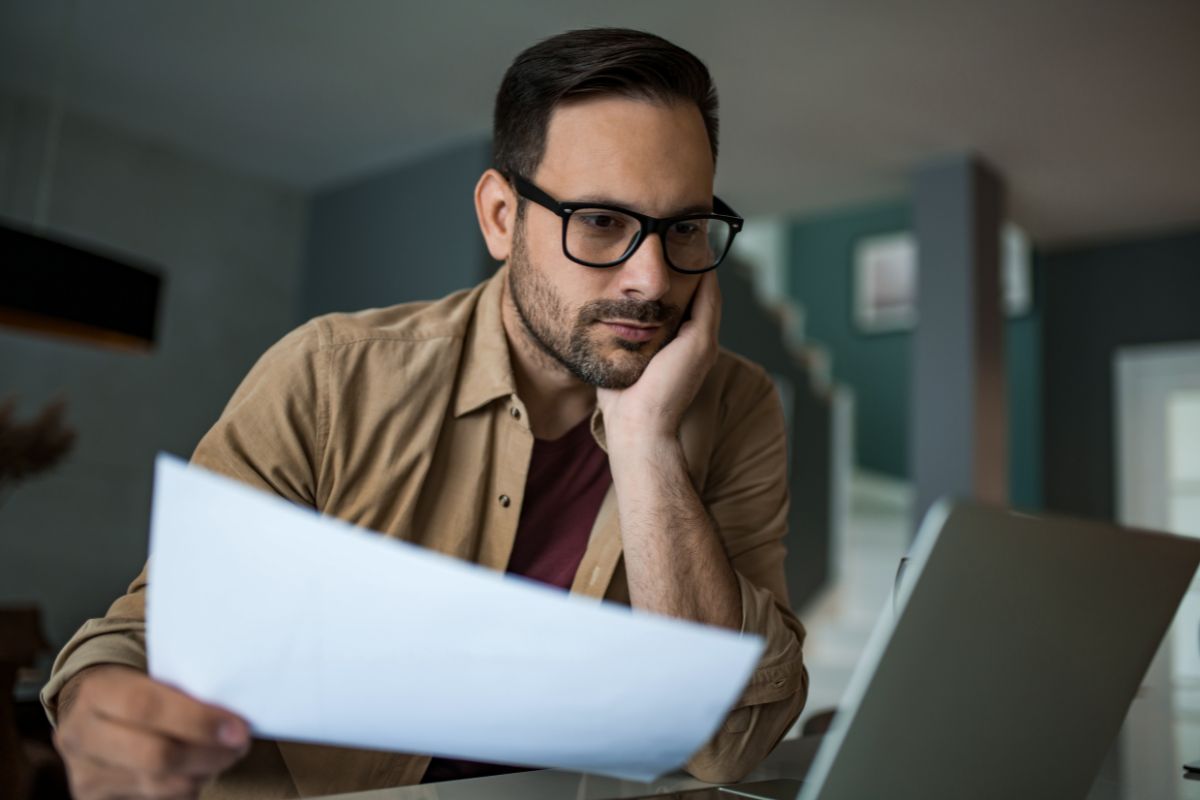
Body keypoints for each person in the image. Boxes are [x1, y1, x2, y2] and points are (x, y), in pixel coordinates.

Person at [42, 27, 809, 800]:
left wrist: (647, 442)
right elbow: (153, 633)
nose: (651, 278)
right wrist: (96, 701)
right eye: (602, 221)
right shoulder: (330, 375)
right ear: (502, 217)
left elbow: (728, 747)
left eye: (682, 226)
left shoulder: (734, 405)